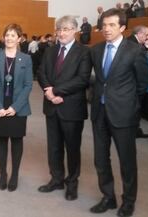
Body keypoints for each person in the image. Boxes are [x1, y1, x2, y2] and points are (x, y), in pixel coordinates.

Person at [89, 9, 148, 217]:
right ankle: (108, 197)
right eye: (104, 25)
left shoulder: (134, 50)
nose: (106, 29)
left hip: (123, 115)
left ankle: (128, 201)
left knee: (127, 161)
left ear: (122, 27)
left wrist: (130, 106)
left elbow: (143, 83)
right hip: (99, 113)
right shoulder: (96, 50)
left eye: (112, 25)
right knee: (100, 159)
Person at [36, 15, 91, 201]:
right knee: (54, 147)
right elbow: (41, 72)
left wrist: (57, 91)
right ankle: (56, 179)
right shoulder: (51, 50)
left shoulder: (83, 51)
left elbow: (82, 79)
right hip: (51, 107)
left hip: (72, 108)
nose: (61, 32)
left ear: (74, 30)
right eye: (59, 29)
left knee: (73, 148)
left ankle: (72, 183)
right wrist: (49, 92)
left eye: (66, 29)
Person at [0, 23, 33, 192]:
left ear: (19, 38)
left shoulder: (26, 59)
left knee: (17, 140)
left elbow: (28, 85)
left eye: (13, 35)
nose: (9, 38)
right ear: (3, 37)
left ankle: (15, 174)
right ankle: (3, 173)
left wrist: (15, 107)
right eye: (7, 35)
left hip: (17, 107)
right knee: (1, 139)